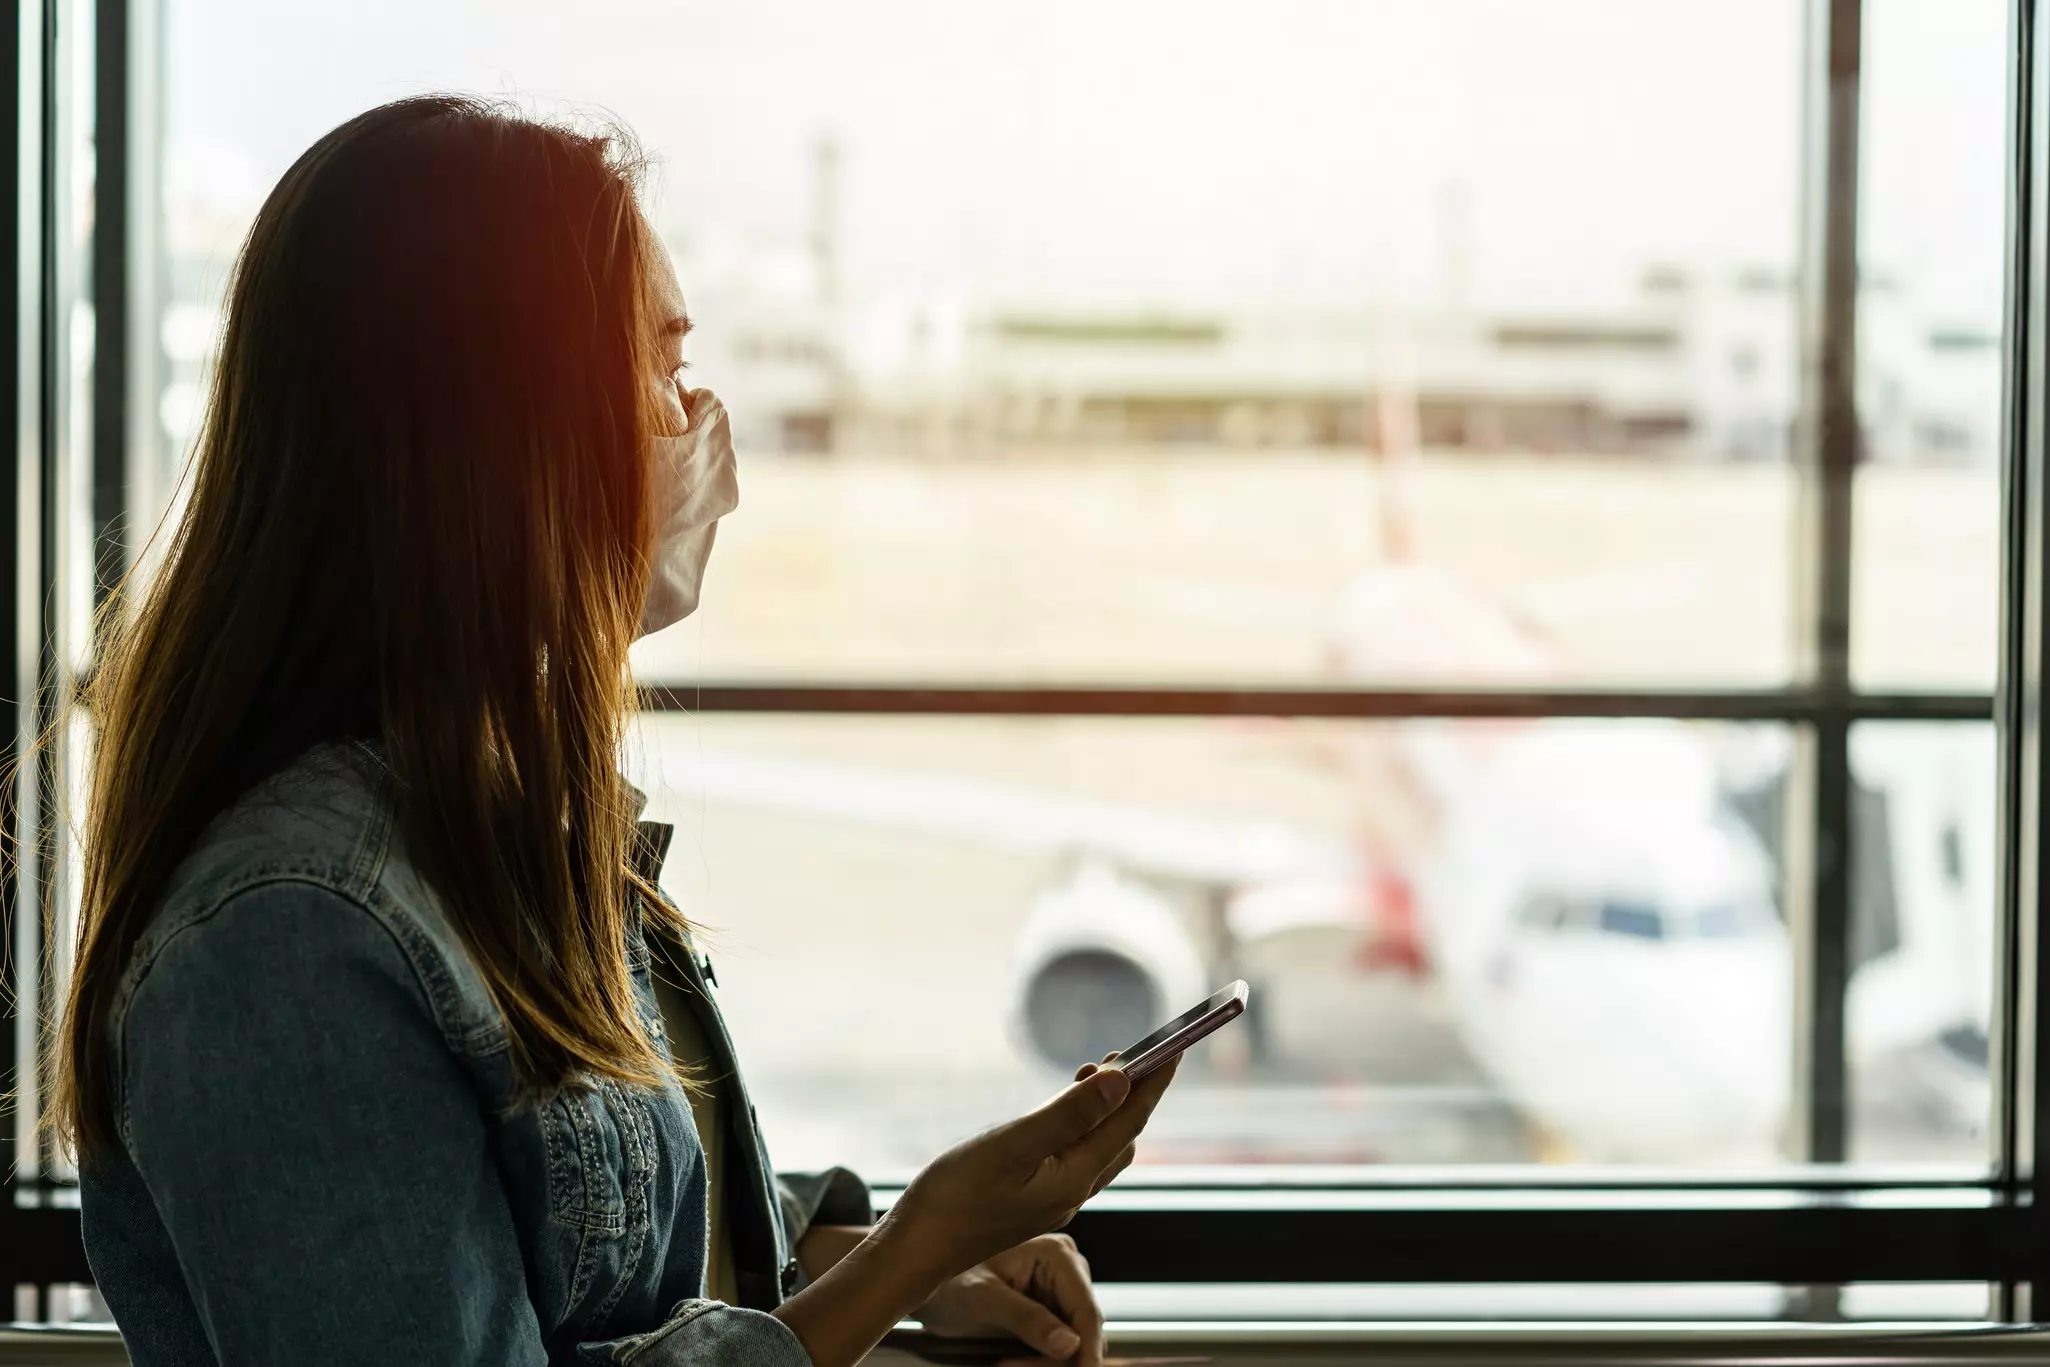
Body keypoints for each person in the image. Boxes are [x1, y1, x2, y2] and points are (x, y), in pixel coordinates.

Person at [52, 94, 1177, 1367]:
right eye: (658, 364)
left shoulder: (492, 816)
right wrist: (913, 1248)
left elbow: (593, 1241)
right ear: (503, 432)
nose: (701, 428)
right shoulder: (293, 929)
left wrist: (878, 1257)